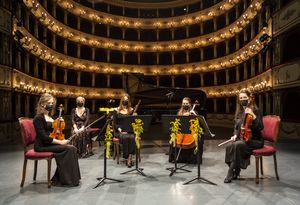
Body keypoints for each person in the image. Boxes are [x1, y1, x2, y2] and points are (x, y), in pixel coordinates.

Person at [33, 93, 81, 187]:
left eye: (52, 103)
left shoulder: (51, 118)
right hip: (42, 145)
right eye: (49, 103)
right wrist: (60, 142)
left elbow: (55, 132)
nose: (51, 105)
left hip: (49, 144)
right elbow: (43, 137)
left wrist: (59, 124)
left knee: (72, 148)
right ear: (42, 104)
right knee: (70, 149)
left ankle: (69, 178)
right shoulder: (38, 118)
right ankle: (62, 179)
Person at [224, 90, 264, 183]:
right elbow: (236, 127)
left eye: (244, 97)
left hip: (254, 140)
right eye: (240, 98)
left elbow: (260, 127)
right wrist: (234, 135)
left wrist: (253, 116)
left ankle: (231, 172)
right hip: (243, 138)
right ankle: (236, 170)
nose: (242, 100)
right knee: (229, 146)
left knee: (237, 145)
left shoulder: (255, 110)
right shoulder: (240, 112)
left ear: (249, 98)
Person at [169, 97, 198, 164]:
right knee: (173, 138)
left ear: (190, 104)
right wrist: (183, 115)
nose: (185, 104)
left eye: (186, 103)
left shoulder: (194, 112)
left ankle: (191, 159)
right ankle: (175, 157)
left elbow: (197, 122)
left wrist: (195, 115)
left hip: (191, 131)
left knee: (197, 138)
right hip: (181, 131)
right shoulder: (179, 112)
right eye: (184, 103)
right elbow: (177, 122)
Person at [113, 94, 137, 167]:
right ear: (121, 100)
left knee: (132, 137)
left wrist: (135, 116)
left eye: (126, 100)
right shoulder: (116, 110)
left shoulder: (131, 110)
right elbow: (115, 123)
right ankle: (127, 158)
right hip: (119, 130)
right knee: (125, 137)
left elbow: (133, 122)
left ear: (128, 101)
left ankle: (129, 158)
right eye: (124, 100)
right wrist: (120, 129)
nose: (125, 101)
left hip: (129, 130)